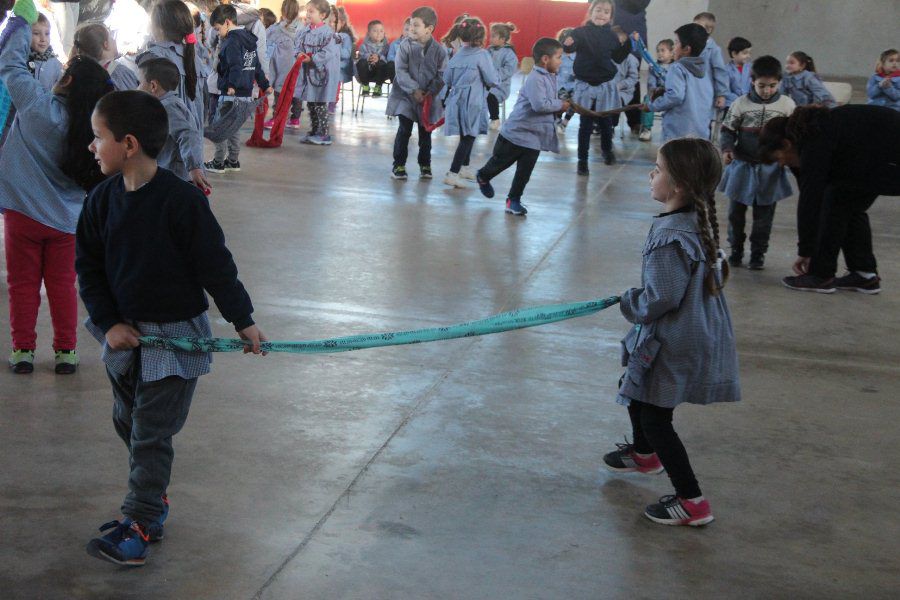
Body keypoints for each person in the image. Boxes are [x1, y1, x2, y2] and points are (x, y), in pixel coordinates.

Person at [77, 90, 266, 567]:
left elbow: (215, 265)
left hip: (175, 339)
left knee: (149, 434)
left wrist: (243, 321)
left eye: (98, 137)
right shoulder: (100, 202)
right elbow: (90, 270)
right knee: (128, 421)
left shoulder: (181, 202)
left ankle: (139, 519)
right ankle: (153, 496)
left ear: (130, 144)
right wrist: (108, 323)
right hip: (125, 338)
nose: (91, 147)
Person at [603, 137, 740, 527]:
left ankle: (692, 500)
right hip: (695, 331)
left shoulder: (669, 237)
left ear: (677, 185)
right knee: (636, 388)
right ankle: (644, 455)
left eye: (658, 169)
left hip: (676, 338)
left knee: (655, 418)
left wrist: (628, 301)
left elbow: (659, 298)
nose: (651, 175)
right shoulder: (696, 221)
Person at [0, 3, 113, 375]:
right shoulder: (93, 132)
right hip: (67, 221)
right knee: (64, 286)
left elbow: (11, 66)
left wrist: (20, 22)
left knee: (22, 286)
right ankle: (66, 351)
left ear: (64, 80)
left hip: (21, 216)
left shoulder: (35, 104)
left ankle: (23, 351)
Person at [759, 105, 900, 294]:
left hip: (889, 158)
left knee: (836, 199)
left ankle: (820, 275)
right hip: (879, 156)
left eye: (778, 159)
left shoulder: (814, 139)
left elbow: (811, 199)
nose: (782, 164)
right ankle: (864, 274)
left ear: (785, 144)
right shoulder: (811, 132)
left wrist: (806, 251)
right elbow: (807, 186)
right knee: (847, 202)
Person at [475, 38, 570, 216]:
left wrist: (562, 99)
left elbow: (550, 99)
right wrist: (560, 105)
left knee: (524, 173)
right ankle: (483, 176)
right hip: (516, 134)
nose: (561, 61)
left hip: (534, 137)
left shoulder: (551, 77)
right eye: (558, 57)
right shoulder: (535, 78)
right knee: (499, 164)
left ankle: (513, 200)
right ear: (545, 59)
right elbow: (539, 105)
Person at [719, 55, 795, 270]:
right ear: (752, 81)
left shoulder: (787, 106)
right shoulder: (740, 104)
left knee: (764, 216)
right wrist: (727, 149)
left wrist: (786, 156)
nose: (767, 90)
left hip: (769, 170)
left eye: (772, 86)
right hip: (742, 166)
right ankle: (736, 250)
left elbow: (793, 136)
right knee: (735, 214)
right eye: (762, 85)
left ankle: (758, 254)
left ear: (779, 83)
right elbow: (727, 131)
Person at [563, 0, 630, 175]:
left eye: (606, 12)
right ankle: (582, 161)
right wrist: (568, 43)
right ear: (590, 12)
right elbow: (570, 48)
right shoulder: (580, 32)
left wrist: (628, 44)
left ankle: (607, 151)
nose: (601, 14)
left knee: (606, 123)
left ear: (611, 17)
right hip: (585, 85)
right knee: (585, 125)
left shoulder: (612, 36)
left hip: (605, 85)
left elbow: (619, 57)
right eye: (598, 10)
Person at [203, 3, 271, 172]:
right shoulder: (248, 39)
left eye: (218, 29)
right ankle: (233, 160)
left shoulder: (231, 42)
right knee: (234, 127)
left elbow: (235, 65)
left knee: (221, 126)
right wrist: (265, 85)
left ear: (227, 22)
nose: (219, 33)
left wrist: (231, 85)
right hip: (246, 93)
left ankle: (218, 162)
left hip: (230, 93)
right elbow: (256, 67)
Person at [386, 6, 446, 181]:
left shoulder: (439, 51)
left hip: (428, 99)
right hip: (406, 96)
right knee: (404, 130)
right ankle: (398, 165)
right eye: (411, 24)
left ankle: (425, 164)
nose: (411, 28)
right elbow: (401, 71)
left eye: (416, 25)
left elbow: (442, 74)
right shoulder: (404, 46)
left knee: (425, 133)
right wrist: (414, 89)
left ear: (429, 29)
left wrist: (430, 91)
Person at [440, 17, 498, 188]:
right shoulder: (482, 55)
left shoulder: (457, 55)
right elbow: (492, 79)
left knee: (465, 135)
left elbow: (447, 78)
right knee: (469, 137)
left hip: (456, 101)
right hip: (472, 102)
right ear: (481, 37)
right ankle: (452, 173)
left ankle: (464, 168)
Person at [138, 57, 209, 193]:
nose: (137, 88)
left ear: (153, 86)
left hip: (174, 176)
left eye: (139, 83)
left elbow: (187, 134)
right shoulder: (164, 105)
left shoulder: (169, 107)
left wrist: (194, 168)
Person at [137, 0, 210, 133]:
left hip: (166, 139)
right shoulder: (194, 56)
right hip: (192, 137)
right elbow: (204, 103)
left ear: (157, 28)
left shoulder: (152, 57)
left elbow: (142, 103)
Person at [643, 23, 712, 141]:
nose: (674, 47)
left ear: (686, 49)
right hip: (700, 133)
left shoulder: (677, 68)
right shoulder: (704, 69)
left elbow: (675, 96)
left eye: (676, 42)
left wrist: (651, 106)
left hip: (678, 134)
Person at [293, 0, 339, 145]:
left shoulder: (328, 33)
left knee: (320, 103)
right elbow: (297, 46)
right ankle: (314, 131)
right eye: (307, 11)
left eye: (311, 11)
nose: (308, 14)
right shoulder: (305, 31)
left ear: (323, 15)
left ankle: (324, 134)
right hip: (309, 73)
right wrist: (299, 55)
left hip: (321, 73)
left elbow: (328, 52)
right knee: (311, 102)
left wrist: (312, 58)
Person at [265, 0, 304, 129]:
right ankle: (295, 119)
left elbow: (266, 43)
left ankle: (277, 117)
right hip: (298, 65)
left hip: (282, 65)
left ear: (282, 11)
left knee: (280, 91)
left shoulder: (276, 29)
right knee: (296, 91)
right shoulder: (303, 28)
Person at [613, 0, 650, 135]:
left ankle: (634, 120)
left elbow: (639, 4)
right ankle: (604, 121)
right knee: (607, 75)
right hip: (612, 26)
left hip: (634, 28)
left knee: (632, 77)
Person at [72, 23, 139, 91]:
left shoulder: (80, 75)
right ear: (106, 44)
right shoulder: (119, 73)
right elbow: (136, 98)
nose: (114, 40)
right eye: (111, 38)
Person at [637, 38, 673, 141]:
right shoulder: (653, 67)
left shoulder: (676, 67)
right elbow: (651, 82)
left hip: (671, 93)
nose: (659, 53)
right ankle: (646, 129)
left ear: (671, 53)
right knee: (647, 100)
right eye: (658, 51)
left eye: (663, 50)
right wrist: (654, 91)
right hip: (658, 93)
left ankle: (670, 129)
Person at [485, 21, 517, 130]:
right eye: (491, 36)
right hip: (486, 83)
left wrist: (494, 76)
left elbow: (509, 70)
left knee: (490, 96)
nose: (491, 38)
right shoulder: (489, 50)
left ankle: (495, 119)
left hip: (500, 86)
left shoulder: (509, 54)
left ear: (502, 39)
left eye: (494, 36)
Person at [328, 5, 355, 114]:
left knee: (335, 73)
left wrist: (336, 48)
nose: (331, 25)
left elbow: (346, 54)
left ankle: (332, 101)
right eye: (329, 22)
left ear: (342, 23)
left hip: (342, 66)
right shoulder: (327, 34)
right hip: (329, 65)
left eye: (334, 22)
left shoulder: (345, 37)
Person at [356, 19, 389, 97]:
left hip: (380, 74)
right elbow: (360, 55)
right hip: (367, 72)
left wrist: (379, 57)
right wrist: (369, 57)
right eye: (375, 31)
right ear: (369, 34)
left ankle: (378, 87)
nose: (379, 33)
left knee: (382, 64)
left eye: (381, 31)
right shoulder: (364, 45)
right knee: (361, 62)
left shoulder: (386, 46)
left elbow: (388, 58)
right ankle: (365, 86)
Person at [28, 13, 61, 91]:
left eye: (47, 34)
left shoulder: (55, 63)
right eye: (36, 33)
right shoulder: (20, 59)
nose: (43, 39)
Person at [555, 27, 575, 132]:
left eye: (572, 39)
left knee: (576, 101)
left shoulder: (578, 55)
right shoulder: (557, 54)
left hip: (574, 85)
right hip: (560, 85)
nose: (569, 41)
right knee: (562, 100)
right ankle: (558, 120)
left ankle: (565, 122)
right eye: (567, 39)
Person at [724, 36, 751, 108]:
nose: (748, 56)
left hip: (749, 104)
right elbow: (725, 90)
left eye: (749, 53)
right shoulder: (726, 70)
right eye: (745, 53)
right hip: (731, 105)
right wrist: (739, 100)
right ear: (734, 54)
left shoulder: (751, 68)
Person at [385, 17, 410, 82]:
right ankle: (396, 85)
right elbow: (389, 57)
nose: (408, 33)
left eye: (412, 31)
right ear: (403, 30)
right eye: (407, 29)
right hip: (397, 67)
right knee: (390, 64)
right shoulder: (395, 43)